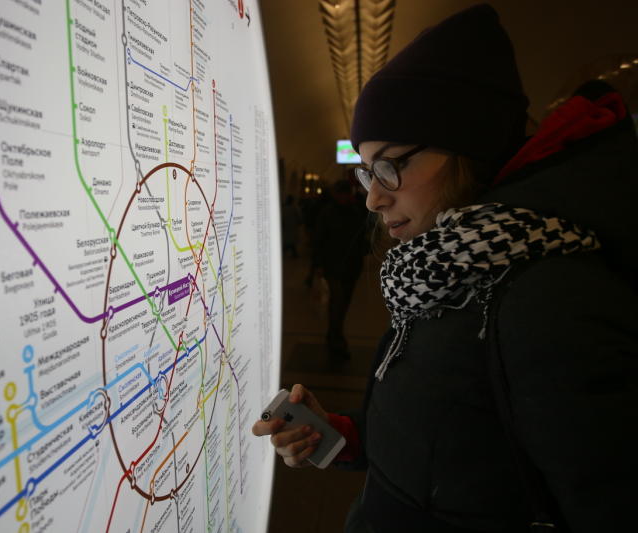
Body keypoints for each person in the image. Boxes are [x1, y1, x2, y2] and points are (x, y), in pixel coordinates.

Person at [253, 4, 637, 532]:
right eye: (368, 174)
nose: (374, 199)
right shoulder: (444, 272)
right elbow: (457, 444)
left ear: (468, 148)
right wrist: (339, 433)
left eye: (391, 165)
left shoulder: (549, 298)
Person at [310, 179, 369, 359]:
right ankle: (336, 340)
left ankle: (333, 334)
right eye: (341, 193)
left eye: (346, 193)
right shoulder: (328, 213)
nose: (344, 197)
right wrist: (318, 265)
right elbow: (318, 240)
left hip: (351, 266)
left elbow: (362, 238)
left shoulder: (356, 212)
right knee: (338, 302)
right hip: (333, 266)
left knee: (342, 304)